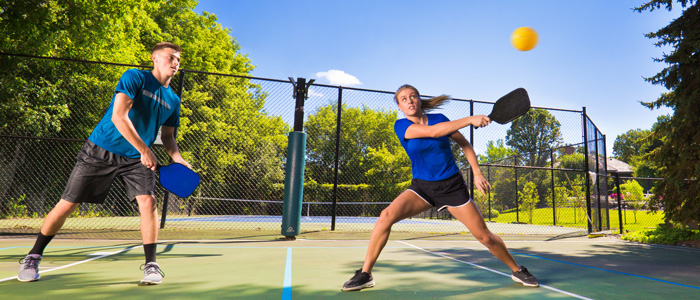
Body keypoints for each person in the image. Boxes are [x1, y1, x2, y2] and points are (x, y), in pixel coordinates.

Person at [17, 42, 190, 285]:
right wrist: (144, 149)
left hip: (136, 160)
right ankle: (33, 256)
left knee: (148, 202)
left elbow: (169, 137)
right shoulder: (135, 78)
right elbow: (119, 116)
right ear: (154, 58)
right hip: (101, 149)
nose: (175, 62)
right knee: (68, 204)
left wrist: (178, 159)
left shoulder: (172, 100)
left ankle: (151, 264)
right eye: (170, 57)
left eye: (178, 60)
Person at [342, 84, 539, 291]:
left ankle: (518, 270)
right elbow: (434, 133)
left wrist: (477, 173)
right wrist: (470, 119)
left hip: (451, 187)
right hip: (422, 188)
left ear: (419, 100)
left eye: (412, 96)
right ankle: (365, 274)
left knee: (484, 236)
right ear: (400, 106)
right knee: (385, 216)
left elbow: (464, 145)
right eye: (403, 99)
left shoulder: (441, 119)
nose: (409, 100)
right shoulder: (401, 126)